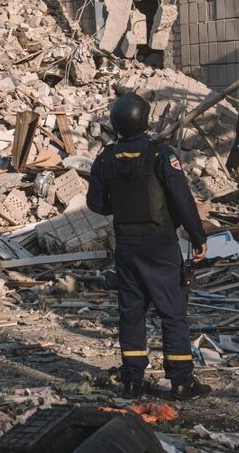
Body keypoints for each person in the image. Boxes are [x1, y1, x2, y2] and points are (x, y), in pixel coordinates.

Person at [86, 91, 211, 401]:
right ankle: (180, 380)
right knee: (172, 310)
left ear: (115, 123)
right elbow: (182, 199)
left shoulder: (105, 159)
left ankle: (132, 380)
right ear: (145, 120)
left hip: (127, 246)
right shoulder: (161, 155)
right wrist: (198, 237)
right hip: (160, 244)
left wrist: (122, 207)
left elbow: (96, 204)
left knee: (131, 312)